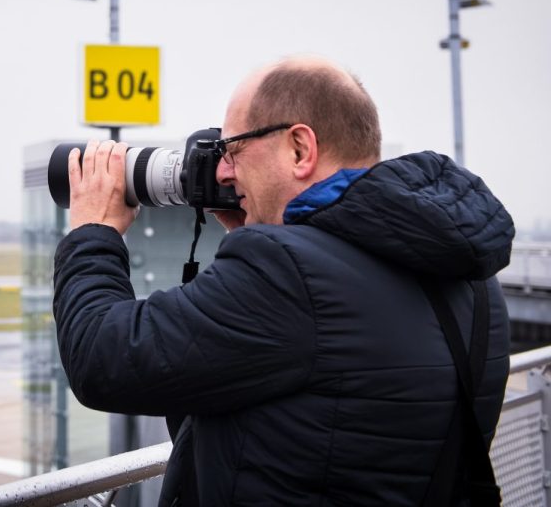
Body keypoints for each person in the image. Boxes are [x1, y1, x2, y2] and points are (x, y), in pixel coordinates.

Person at [53, 56, 514, 506]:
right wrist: (261, 234)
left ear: (299, 149)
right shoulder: (471, 278)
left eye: (232, 149)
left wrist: (95, 230)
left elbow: (104, 358)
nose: (223, 171)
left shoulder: (288, 275)